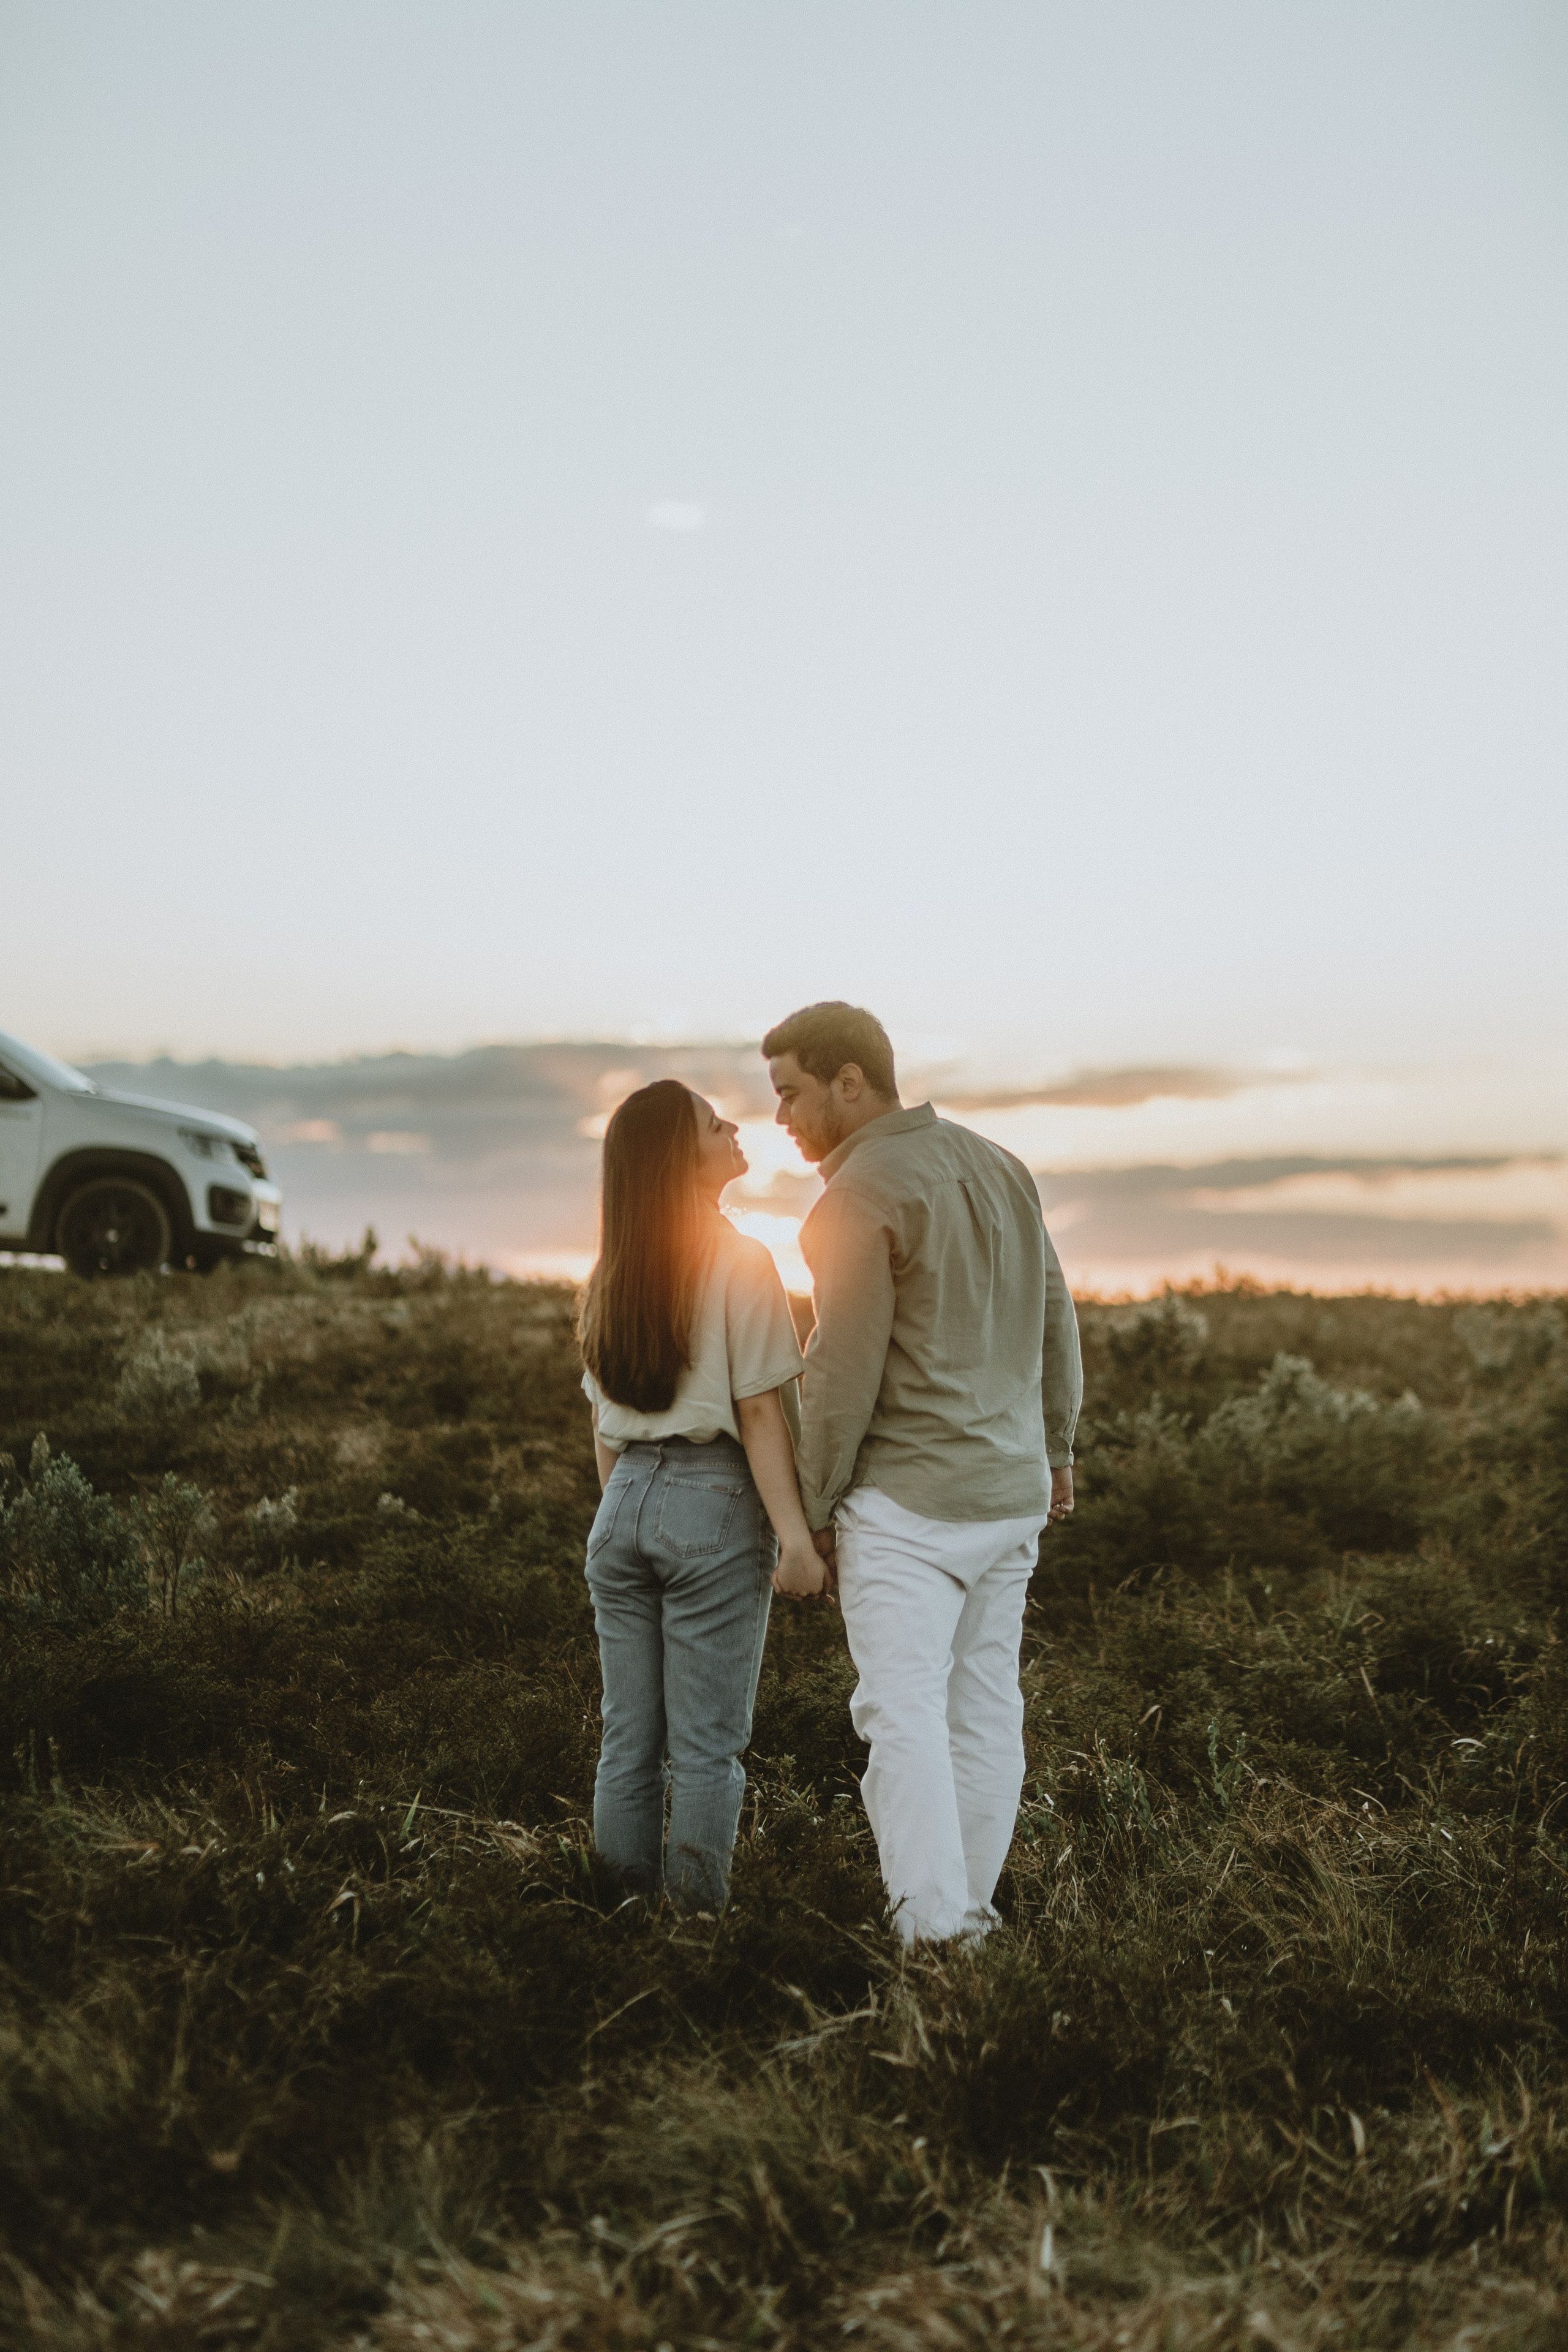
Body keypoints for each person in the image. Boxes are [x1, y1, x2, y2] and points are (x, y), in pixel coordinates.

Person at [763, 1001, 1083, 1943]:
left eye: (790, 1092)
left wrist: (812, 1513)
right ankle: (962, 1922)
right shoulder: (1001, 1164)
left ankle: (937, 1938)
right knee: (984, 1711)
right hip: (1011, 1493)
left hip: (912, 1508)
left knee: (901, 1720)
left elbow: (839, 1371)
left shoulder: (857, 1197)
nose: (781, 1116)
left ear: (850, 1081)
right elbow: (1058, 1316)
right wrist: (1057, 1447)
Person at [578, 1078, 826, 1912]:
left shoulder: (611, 1272)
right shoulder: (742, 1260)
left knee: (627, 1746)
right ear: (680, 1159)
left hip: (621, 1512)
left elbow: (607, 1435)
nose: (734, 1127)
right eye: (713, 1123)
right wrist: (795, 1538)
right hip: (713, 1498)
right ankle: (693, 1945)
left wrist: (633, 1519)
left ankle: (617, 1928)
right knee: (708, 1751)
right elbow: (760, 1412)